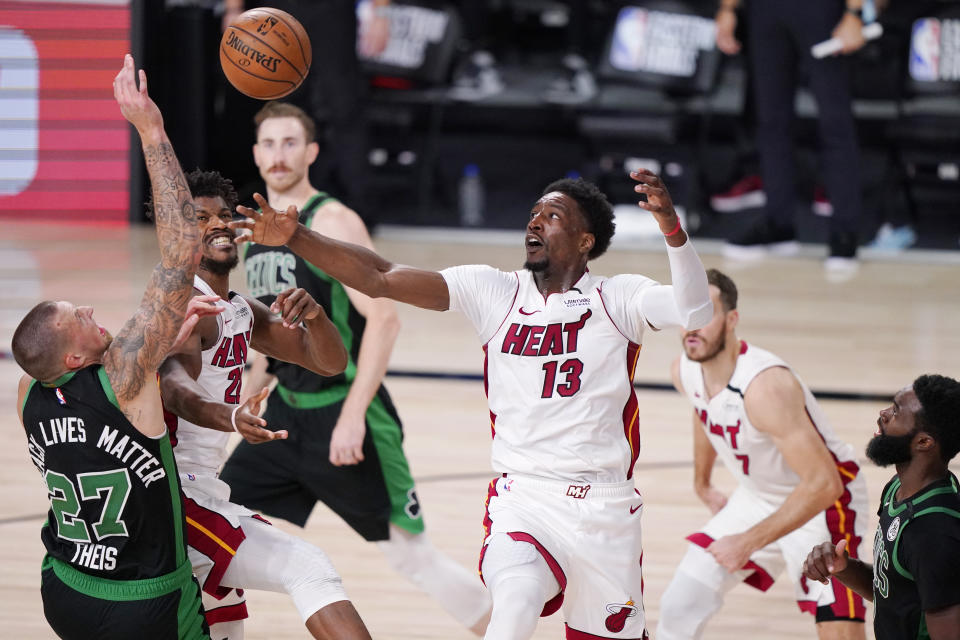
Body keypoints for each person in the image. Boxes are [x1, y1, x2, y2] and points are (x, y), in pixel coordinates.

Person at [228, 168, 713, 639]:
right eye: (534, 212)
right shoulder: (494, 291)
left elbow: (695, 310)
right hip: (524, 500)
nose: (535, 221)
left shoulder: (618, 297)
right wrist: (298, 238)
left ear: (586, 241)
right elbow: (380, 275)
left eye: (554, 216)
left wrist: (672, 230)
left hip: (606, 509)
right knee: (514, 609)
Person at [217, 101, 493, 635]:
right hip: (285, 417)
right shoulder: (252, 233)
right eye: (269, 144)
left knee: (412, 557)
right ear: (255, 153)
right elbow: (272, 332)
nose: (278, 155)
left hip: (344, 412)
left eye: (290, 143)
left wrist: (352, 416)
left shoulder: (332, 220)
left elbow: (384, 320)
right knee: (212, 522)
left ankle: (502, 627)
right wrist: (250, 393)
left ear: (312, 152)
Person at [11, 54, 210, 640]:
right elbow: (181, 254)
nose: (93, 310)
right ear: (75, 359)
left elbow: (92, 398)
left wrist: (158, 342)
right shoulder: (122, 374)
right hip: (143, 600)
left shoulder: (28, 391)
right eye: (80, 318)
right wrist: (152, 131)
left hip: (65, 585)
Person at [154, 169, 373, 640]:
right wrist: (230, 416)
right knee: (308, 566)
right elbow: (174, 385)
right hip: (170, 494)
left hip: (200, 488)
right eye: (199, 218)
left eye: (223, 215)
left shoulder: (237, 309)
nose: (218, 224)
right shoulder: (183, 305)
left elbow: (328, 362)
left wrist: (315, 317)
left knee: (225, 630)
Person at [656, 268, 869, 640]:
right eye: (685, 314)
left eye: (705, 315)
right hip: (758, 498)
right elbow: (703, 407)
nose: (693, 327)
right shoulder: (685, 369)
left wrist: (747, 541)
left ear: (732, 320)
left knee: (838, 630)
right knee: (680, 605)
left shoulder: (764, 386)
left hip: (824, 501)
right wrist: (702, 483)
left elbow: (824, 483)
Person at [804, 374, 960, 639]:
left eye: (897, 411)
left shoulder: (933, 534)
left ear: (924, 442)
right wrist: (844, 567)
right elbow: (894, 592)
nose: (884, 413)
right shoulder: (898, 489)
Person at [716, 0, 869, 269]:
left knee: (835, 120)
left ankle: (845, 231)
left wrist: (855, 12)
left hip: (822, 9)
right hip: (765, 10)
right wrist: (728, 9)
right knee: (771, 121)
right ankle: (779, 223)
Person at [221, 0, 390, 227]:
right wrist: (233, 8)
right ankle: (285, 206)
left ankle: (359, 211)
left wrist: (381, 11)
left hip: (331, 11)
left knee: (343, 107)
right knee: (283, 110)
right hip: (276, 10)